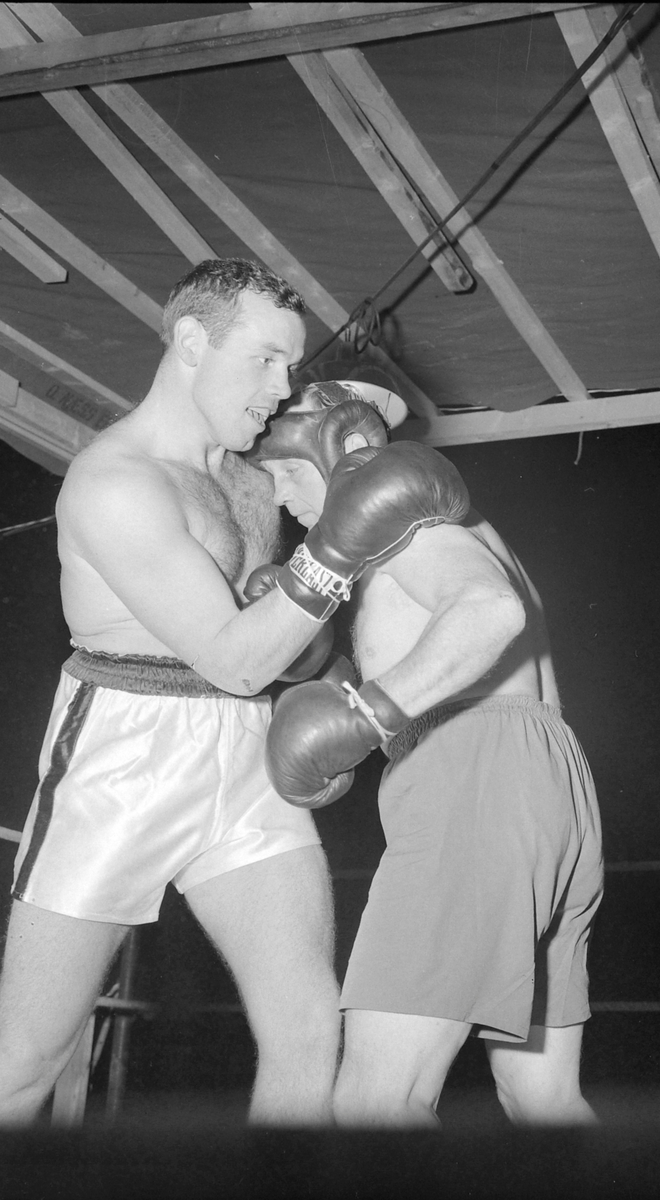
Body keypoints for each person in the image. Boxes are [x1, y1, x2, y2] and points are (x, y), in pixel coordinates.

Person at [0, 259, 394, 1126]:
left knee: (306, 1034)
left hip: (245, 747)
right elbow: (235, 655)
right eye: (263, 359)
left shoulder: (253, 480)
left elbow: (286, 650)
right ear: (188, 342)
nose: (283, 385)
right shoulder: (114, 481)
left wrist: (325, 699)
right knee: (24, 1061)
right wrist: (339, 548)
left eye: (291, 364)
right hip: (124, 753)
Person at [253, 390, 605, 1129]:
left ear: (331, 450)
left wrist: (365, 714)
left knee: (375, 1104)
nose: (280, 497)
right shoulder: (446, 523)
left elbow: (488, 614)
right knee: (543, 1102)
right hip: (544, 782)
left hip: (473, 775)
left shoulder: (399, 518)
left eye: (283, 470)